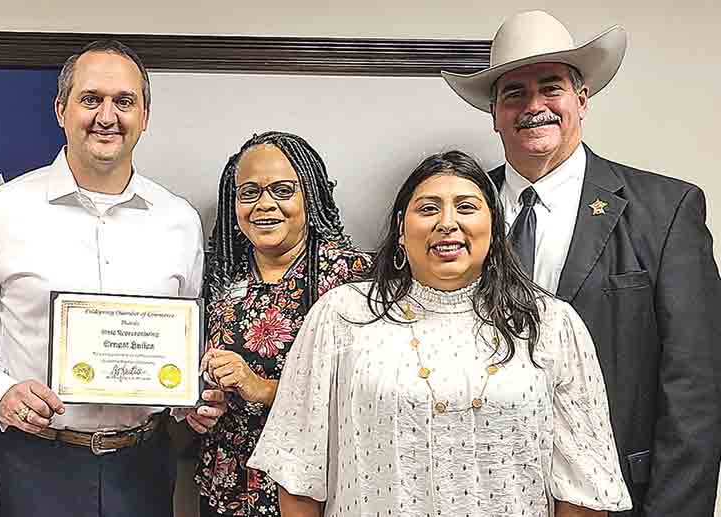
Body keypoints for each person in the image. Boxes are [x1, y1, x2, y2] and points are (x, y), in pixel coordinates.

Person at [0, 39, 226, 517]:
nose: (107, 116)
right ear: (61, 109)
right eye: (91, 99)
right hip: (31, 462)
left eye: (124, 101)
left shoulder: (180, 220)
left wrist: (189, 396)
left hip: (144, 467)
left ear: (144, 116)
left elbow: (183, 336)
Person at [441, 11, 721, 516]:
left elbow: (696, 392)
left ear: (581, 100)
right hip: (477, 491)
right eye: (514, 94)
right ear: (494, 114)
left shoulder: (666, 211)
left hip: (620, 498)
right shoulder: (452, 212)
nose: (535, 107)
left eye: (551, 88)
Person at [248, 151, 632, 516]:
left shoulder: (549, 323)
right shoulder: (341, 315)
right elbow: (297, 472)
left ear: (495, 229)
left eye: (466, 207)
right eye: (428, 208)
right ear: (401, 229)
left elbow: (585, 486)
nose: (447, 222)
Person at [197, 131, 371, 517]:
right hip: (226, 485)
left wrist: (262, 388)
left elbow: (364, 396)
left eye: (282, 189)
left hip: (309, 490)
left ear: (310, 195)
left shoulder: (352, 280)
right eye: (249, 192)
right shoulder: (221, 276)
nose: (264, 205)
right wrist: (200, 404)